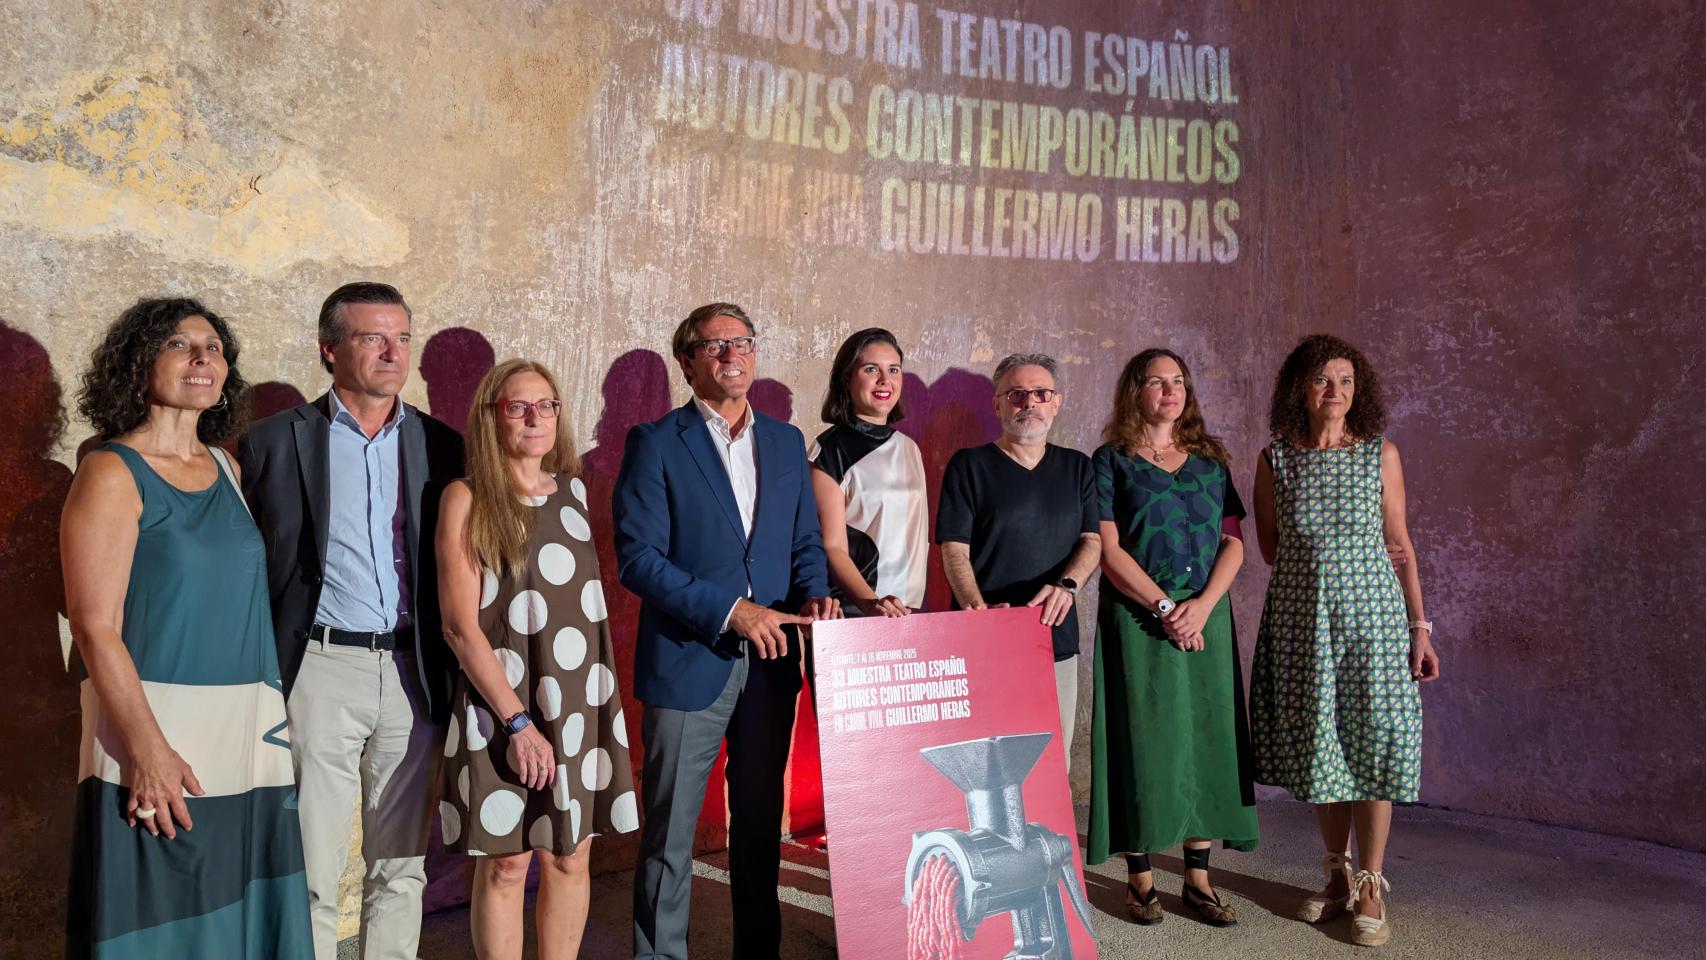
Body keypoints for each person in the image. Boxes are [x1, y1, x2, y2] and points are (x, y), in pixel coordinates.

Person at [61, 298, 311, 957]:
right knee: (157, 920)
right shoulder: (111, 472)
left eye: (214, 347)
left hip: (245, 740)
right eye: (179, 344)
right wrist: (148, 752)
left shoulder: (228, 469)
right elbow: (94, 628)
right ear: (137, 364)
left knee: (234, 922)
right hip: (157, 735)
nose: (203, 357)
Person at [238, 282, 464, 960]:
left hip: (412, 672)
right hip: (319, 667)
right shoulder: (272, 443)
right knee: (314, 862)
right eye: (372, 337)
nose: (393, 352)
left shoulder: (440, 445)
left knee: (401, 867)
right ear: (328, 350)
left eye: (402, 337)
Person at [614, 302, 838, 960]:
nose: (730, 356)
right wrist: (731, 611)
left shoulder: (785, 442)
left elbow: (803, 543)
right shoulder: (655, 442)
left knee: (760, 828)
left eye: (741, 343)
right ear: (687, 360)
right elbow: (638, 558)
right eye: (713, 347)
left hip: (771, 667)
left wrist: (817, 594)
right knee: (671, 834)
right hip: (689, 660)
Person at [435, 359, 637, 959]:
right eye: (517, 406)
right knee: (505, 862)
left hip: (575, 700)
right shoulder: (466, 496)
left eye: (545, 404)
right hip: (504, 704)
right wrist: (518, 723)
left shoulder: (574, 491)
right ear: (491, 417)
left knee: (571, 855)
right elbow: (459, 626)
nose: (534, 417)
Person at [1250, 334, 1441, 948]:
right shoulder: (1275, 459)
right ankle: (1335, 875)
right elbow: (1273, 548)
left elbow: (1402, 545)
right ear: (1299, 389)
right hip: (1304, 625)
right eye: (1323, 379)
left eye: (1347, 380)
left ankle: (1371, 885)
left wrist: (1420, 628)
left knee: (1374, 742)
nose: (1336, 391)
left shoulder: (1379, 455)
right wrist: (1320, 574)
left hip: (1375, 624)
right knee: (1322, 746)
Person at [1085, 349, 1259, 927]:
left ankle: (1199, 879)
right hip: (1138, 621)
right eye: (1157, 382)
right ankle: (1139, 879)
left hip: (1204, 619)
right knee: (1144, 740)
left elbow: (1233, 542)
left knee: (1207, 739)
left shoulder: (1211, 462)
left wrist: (1202, 607)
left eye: (1178, 381)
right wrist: (1165, 608)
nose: (1170, 390)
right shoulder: (1110, 461)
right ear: (1134, 391)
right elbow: (1108, 549)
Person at [935, 353, 1100, 764]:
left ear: (1056, 402)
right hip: (983, 634)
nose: (1029, 402)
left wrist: (1067, 587)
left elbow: (1092, 541)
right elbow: (953, 547)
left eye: (1041, 393)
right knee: (986, 760)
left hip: (1054, 635)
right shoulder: (969, 465)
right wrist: (976, 607)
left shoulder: (1077, 467)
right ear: (998, 405)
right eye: (1017, 394)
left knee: (1050, 761)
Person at [809, 327, 929, 620]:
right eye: (871, 369)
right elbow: (832, 546)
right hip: (857, 611)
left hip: (907, 612)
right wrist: (870, 602)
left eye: (894, 369)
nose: (885, 380)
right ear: (847, 378)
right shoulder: (830, 449)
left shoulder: (910, 448)